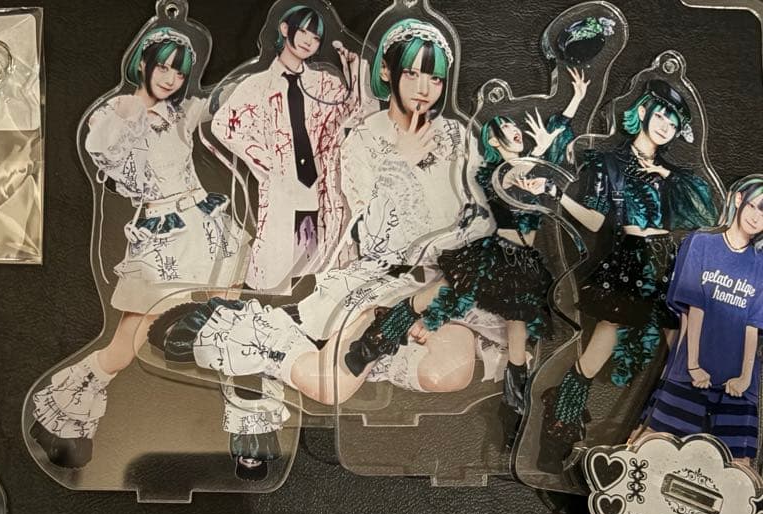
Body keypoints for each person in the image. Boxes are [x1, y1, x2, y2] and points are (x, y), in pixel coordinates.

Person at [152, 17, 503, 406]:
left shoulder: (457, 136)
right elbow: (377, 236)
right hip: (391, 283)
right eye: (412, 73)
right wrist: (399, 166)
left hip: (455, 283)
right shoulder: (364, 140)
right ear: (386, 71)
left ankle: (347, 341)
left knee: (449, 372)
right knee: (332, 388)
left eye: (435, 79)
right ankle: (251, 331)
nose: (424, 89)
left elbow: (485, 221)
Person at [29, 27, 244, 469]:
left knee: (232, 313)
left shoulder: (179, 112)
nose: (169, 78)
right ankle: (63, 415)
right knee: (128, 342)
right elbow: (105, 155)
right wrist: (130, 116)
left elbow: (219, 102)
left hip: (205, 224)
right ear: (144, 64)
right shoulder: (116, 113)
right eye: (162, 67)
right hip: (164, 232)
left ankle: (247, 421)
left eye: (178, 73)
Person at [343, 69, 589, 443]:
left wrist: (575, 99)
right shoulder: (495, 172)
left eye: (516, 128)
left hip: (523, 263)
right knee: (436, 294)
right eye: (506, 128)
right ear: (493, 140)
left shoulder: (531, 166)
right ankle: (375, 341)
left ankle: (515, 405)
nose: (515, 131)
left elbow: (552, 151)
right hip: (495, 253)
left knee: (518, 332)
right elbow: (512, 181)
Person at [536, 78, 717, 470]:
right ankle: (560, 419)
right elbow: (596, 220)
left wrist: (670, 178)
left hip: (670, 263)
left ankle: (668, 434)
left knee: (682, 351)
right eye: (662, 115)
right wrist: (557, 196)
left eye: (674, 122)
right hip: (629, 261)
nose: (667, 126)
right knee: (600, 346)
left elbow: (706, 216)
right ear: (644, 111)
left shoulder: (674, 175)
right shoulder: (610, 163)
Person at [211, 4, 364, 291]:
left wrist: (353, 73)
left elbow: (352, 113)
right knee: (279, 271)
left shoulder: (324, 82)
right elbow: (222, 125)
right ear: (284, 29)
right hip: (283, 190)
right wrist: (265, 160)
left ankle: (309, 306)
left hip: (321, 188)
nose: (308, 41)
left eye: (316, 37)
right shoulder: (257, 85)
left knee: (315, 271)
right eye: (303, 32)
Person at [634, 177, 763, 465]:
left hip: (738, 383)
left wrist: (744, 377)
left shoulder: (761, 264)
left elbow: (753, 326)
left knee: (739, 464)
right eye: (753, 206)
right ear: (739, 200)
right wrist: (693, 365)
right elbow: (693, 311)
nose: (757, 218)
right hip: (690, 374)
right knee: (654, 444)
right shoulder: (702, 244)